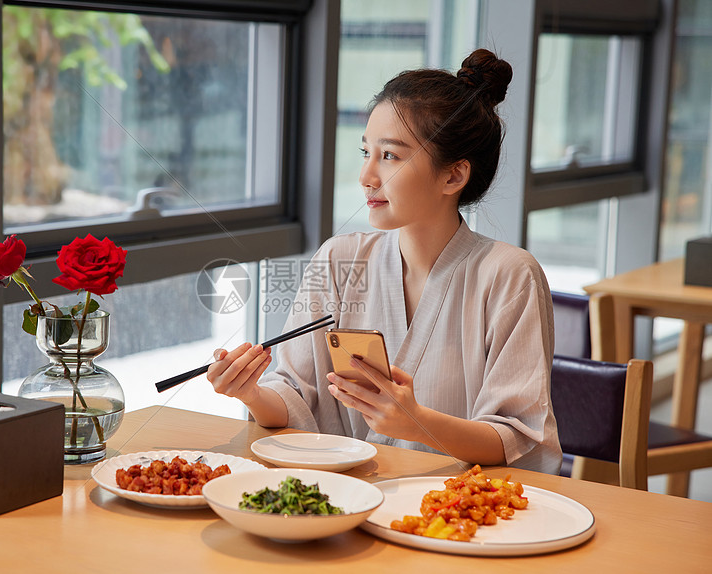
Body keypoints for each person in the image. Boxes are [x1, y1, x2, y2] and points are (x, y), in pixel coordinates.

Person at [207, 49, 561, 474]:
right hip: (345, 500)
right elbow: (295, 398)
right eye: (365, 152)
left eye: (390, 156)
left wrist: (417, 422)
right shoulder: (340, 258)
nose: (366, 176)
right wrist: (249, 392)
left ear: (454, 175)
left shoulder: (509, 275)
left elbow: (518, 437)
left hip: (451, 517)